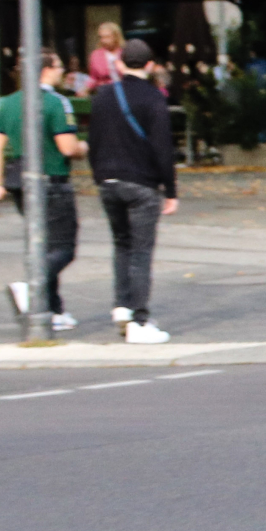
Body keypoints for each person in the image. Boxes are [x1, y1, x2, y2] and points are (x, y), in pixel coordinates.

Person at [0, 47, 87, 330]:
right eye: (58, 65)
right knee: (64, 248)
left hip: (21, 184)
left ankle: (52, 309)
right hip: (53, 180)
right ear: (46, 69)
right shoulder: (56, 103)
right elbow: (66, 146)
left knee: (43, 246)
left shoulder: (10, 102)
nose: (62, 70)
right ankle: (30, 288)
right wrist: (82, 148)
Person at [88, 38, 178, 343]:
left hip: (108, 181)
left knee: (121, 245)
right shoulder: (154, 98)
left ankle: (122, 306)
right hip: (142, 184)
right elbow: (163, 148)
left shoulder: (103, 95)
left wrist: (99, 175)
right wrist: (171, 189)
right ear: (151, 66)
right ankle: (140, 320)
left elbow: (94, 140)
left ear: (121, 63)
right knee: (141, 252)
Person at [86, 21, 124, 91]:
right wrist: (85, 89)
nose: (104, 41)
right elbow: (93, 77)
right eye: (101, 37)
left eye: (107, 37)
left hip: (125, 90)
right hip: (104, 91)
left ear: (116, 37)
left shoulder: (125, 52)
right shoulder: (96, 55)